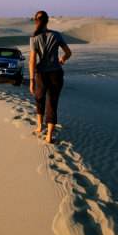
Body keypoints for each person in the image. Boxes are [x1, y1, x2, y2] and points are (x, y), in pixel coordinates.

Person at [29, 10, 72, 143]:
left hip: (41, 75)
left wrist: (31, 80)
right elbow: (68, 53)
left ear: (36, 21)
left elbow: (32, 61)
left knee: (40, 99)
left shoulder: (34, 38)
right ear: (47, 20)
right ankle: (49, 136)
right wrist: (62, 59)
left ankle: (40, 127)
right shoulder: (56, 35)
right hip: (56, 74)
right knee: (52, 104)